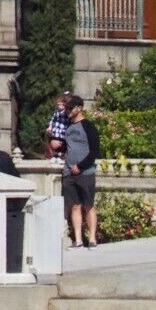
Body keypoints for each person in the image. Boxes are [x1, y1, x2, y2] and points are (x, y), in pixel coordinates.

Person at [60, 97, 99, 248]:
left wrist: (81, 166)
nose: (68, 111)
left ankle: (92, 238)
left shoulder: (89, 126)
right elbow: (67, 148)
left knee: (88, 205)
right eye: (67, 108)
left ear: (79, 108)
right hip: (69, 172)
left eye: (71, 108)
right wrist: (57, 145)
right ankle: (78, 240)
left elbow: (94, 151)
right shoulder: (68, 127)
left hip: (86, 172)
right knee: (74, 206)